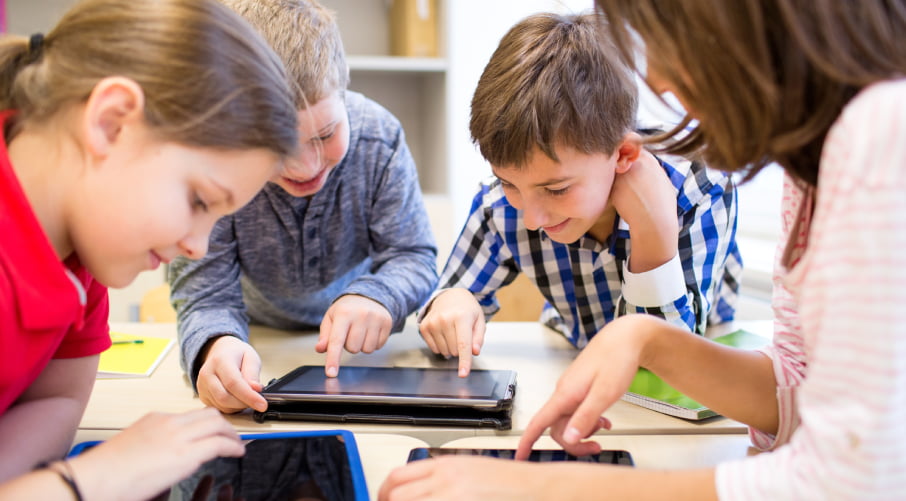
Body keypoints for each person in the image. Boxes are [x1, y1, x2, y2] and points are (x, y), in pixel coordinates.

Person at [379, 1, 906, 499]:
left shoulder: (876, 134)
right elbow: (795, 389)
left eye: (662, 38)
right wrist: (643, 337)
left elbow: (853, 477)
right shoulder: (810, 171)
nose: (655, 79)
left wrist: (540, 488)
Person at [0, 0, 300, 498]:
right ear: (111, 122)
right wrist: (89, 480)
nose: (198, 248)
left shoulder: (82, 249)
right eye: (199, 199)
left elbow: (54, 402)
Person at [418, 12, 742, 376]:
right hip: (575, 357)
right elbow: (444, 300)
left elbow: (666, 360)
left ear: (623, 155)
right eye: (508, 182)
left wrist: (654, 231)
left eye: (556, 189)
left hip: (698, 377)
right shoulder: (501, 206)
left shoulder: (699, 186)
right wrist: (453, 301)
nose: (532, 218)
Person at [168, 0, 438, 414]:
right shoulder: (216, 158)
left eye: (326, 133)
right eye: (278, 146)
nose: (306, 166)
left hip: (363, 351)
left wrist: (378, 296)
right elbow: (205, 295)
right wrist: (215, 345)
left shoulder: (379, 138)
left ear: (344, 88)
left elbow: (413, 255)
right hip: (254, 340)